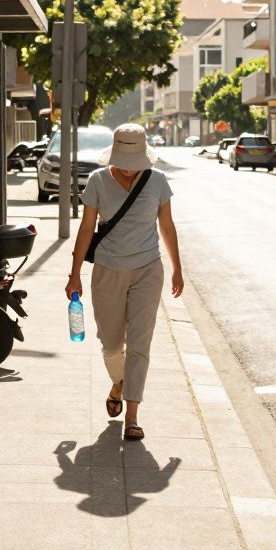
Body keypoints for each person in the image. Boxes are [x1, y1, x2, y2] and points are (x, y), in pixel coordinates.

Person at [65, 123, 183, 441]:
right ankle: (118, 383)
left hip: (148, 270)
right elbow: (87, 229)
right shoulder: (98, 181)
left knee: (140, 345)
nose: (130, 170)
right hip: (107, 270)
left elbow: (167, 227)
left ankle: (132, 415)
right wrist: (74, 273)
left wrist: (177, 269)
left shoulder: (157, 181)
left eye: (136, 163)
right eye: (125, 162)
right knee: (112, 343)